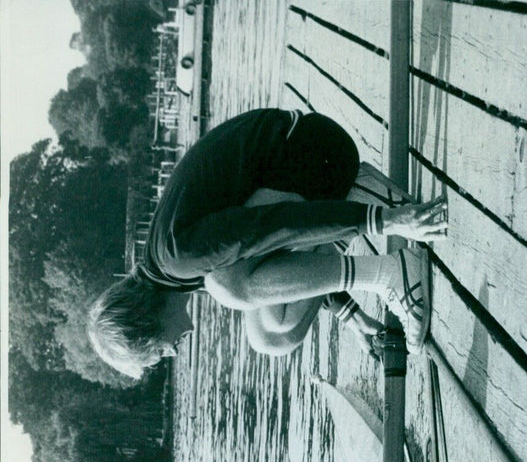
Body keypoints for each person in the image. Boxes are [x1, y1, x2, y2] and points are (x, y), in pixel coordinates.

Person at [87, 108, 447, 378]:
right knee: (271, 338)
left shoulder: (179, 257)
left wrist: (381, 221)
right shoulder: (171, 272)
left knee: (229, 287)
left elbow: (272, 225)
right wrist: (349, 315)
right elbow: (277, 260)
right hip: (304, 174)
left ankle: (392, 272)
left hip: (318, 151)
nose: (169, 354)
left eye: (156, 352)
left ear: (147, 321)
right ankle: (359, 194)